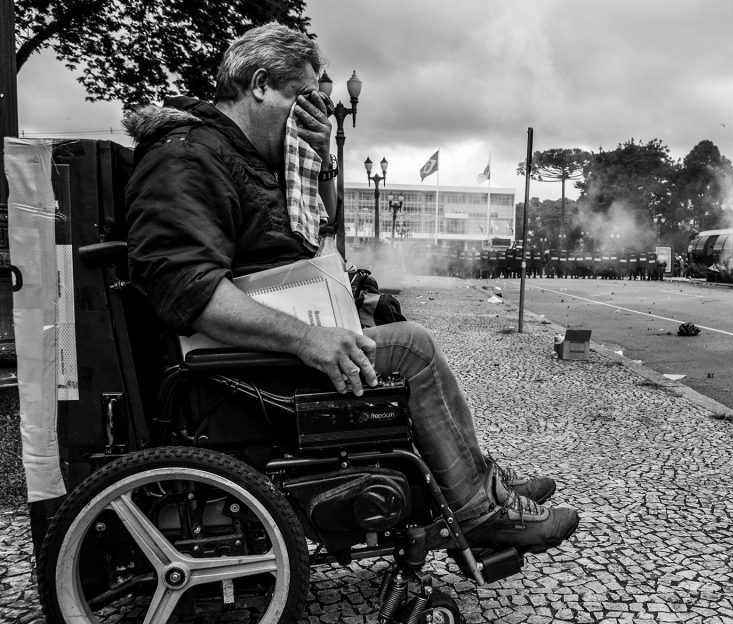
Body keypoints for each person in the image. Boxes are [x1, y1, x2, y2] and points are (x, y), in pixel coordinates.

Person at [123, 22, 578, 553]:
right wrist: (306, 338)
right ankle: (477, 512)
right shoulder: (187, 156)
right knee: (412, 347)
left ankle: (476, 478)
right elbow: (188, 289)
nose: (313, 112)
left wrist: (320, 164)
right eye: (301, 98)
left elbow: (322, 229)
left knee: (387, 320)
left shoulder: (242, 156)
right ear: (261, 84)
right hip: (221, 372)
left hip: (245, 349)